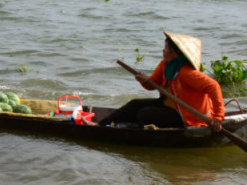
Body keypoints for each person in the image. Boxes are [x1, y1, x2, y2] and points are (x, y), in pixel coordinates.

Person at [91, 32, 224, 130]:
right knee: (135, 104)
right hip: (169, 105)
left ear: (175, 53)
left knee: (144, 114)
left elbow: (214, 86)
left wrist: (218, 117)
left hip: (188, 116)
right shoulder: (165, 65)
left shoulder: (187, 73)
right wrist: (144, 80)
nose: (163, 51)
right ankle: (100, 125)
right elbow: (151, 85)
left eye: (166, 48)